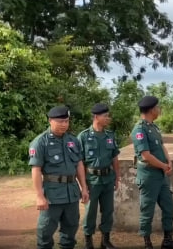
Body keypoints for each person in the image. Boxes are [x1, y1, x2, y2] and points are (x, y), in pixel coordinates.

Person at [28, 105, 90, 249]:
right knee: (46, 231)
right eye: (60, 121)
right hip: (52, 194)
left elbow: (79, 165)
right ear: (50, 120)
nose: (64, 125)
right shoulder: (40, 142)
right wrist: (39, 196)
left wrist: (84, 188)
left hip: (72, 193)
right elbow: (36, 170)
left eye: (66, 121)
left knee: (71, 229)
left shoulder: (73, 140)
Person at [130, 96, 173, 249]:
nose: (159, 110)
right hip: (149, 176)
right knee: (147, 210)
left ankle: (167, 241)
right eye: (158, 108)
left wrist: (169, 161)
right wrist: (163, 166)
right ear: (152, 110)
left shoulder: (153, 127)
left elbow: (161, 146)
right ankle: (147, 243)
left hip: (161, 176)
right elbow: (146, 156)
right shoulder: (139, 129)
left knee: (168, 207)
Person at [78, 103, 120, 249]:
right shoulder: (83, 137)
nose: (108, 118)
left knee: (108, 210)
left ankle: (105, 240)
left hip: (108, 179)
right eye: (105, 116)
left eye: (108, 115)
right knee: (90, 211)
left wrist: (117, 177)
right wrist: (83, 185)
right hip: (92, 180)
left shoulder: (110, 135)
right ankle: (88, 241)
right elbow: (80, 163)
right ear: (96, 117)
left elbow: (114, 157)